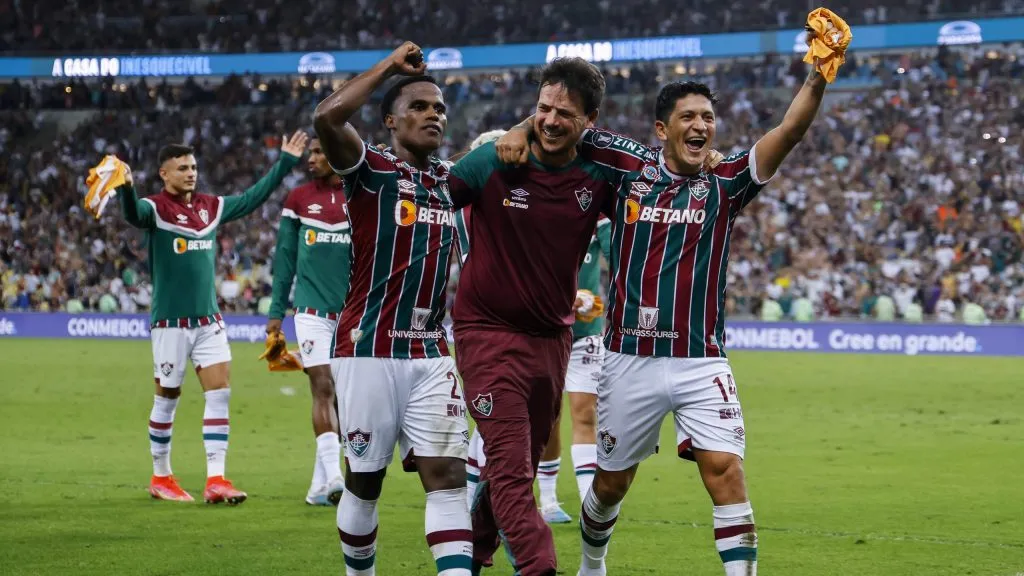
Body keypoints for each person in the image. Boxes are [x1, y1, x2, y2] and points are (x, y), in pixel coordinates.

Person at [497, 31, 838, 575]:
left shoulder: (727, 184)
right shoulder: (626, 167)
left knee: (724, 470)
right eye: (688, 117)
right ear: (662, 129)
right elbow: (561, 122)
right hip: (629, 358)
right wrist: (519, 126)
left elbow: (789, 130)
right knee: (610, 485)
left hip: (702, 359)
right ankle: (593, 563)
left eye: (707, 117)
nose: (701, 126)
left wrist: (818, 73)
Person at [445, 56, 625, 576]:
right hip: (486, 335)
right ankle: (539, 567)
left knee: (515, 465)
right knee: (507, 469)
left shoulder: (598, 175)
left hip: (552, 341)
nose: (548, 120)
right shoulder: (496, 160)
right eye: (541, 109)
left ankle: (470, 560)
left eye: (563, 114)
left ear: (590, 120)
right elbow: (436, 197)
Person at [313, 42, 472, 576]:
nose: (434, 114)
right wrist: (388, 66)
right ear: (390, 121)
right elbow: (327, 115)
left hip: (431, 352)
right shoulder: (370, 170)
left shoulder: (451, 183)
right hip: (367, 348)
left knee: (449, 475)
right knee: (365, 480)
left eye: (441, 108)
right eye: (420, 106)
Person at [117, 132, 308, 505]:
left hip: (209, 322)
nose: (190, 173)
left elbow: (253, 198)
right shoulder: (154, 208)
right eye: (182, 168)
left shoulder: (210, 207)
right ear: (163, 174)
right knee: (167, 399)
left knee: (219, 395)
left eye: (193, 167)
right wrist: (125, 186)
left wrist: (285, 161)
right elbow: (131, 214)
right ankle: (161, 476)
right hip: (170, 324)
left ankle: (216, 480)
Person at [465, 217, 612, 524]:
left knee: (586, 415)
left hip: (585, 333)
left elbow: (623, 260)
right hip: (540, 331)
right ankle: (545, 498)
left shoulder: (597, 212)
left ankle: (589, 508)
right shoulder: (534, 205)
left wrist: (589, 297)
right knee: (548, 417)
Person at [266, 137, 351, 506]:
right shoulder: (298, 200)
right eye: (311, 152)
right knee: (324, 388)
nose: (312, 158)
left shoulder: (360, 196)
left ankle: (318, 487)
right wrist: (275, 315)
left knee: (348, 401)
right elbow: (284, 261)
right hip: (311, 312)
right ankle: (335, 478)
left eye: (320, 152)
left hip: (354, 314)